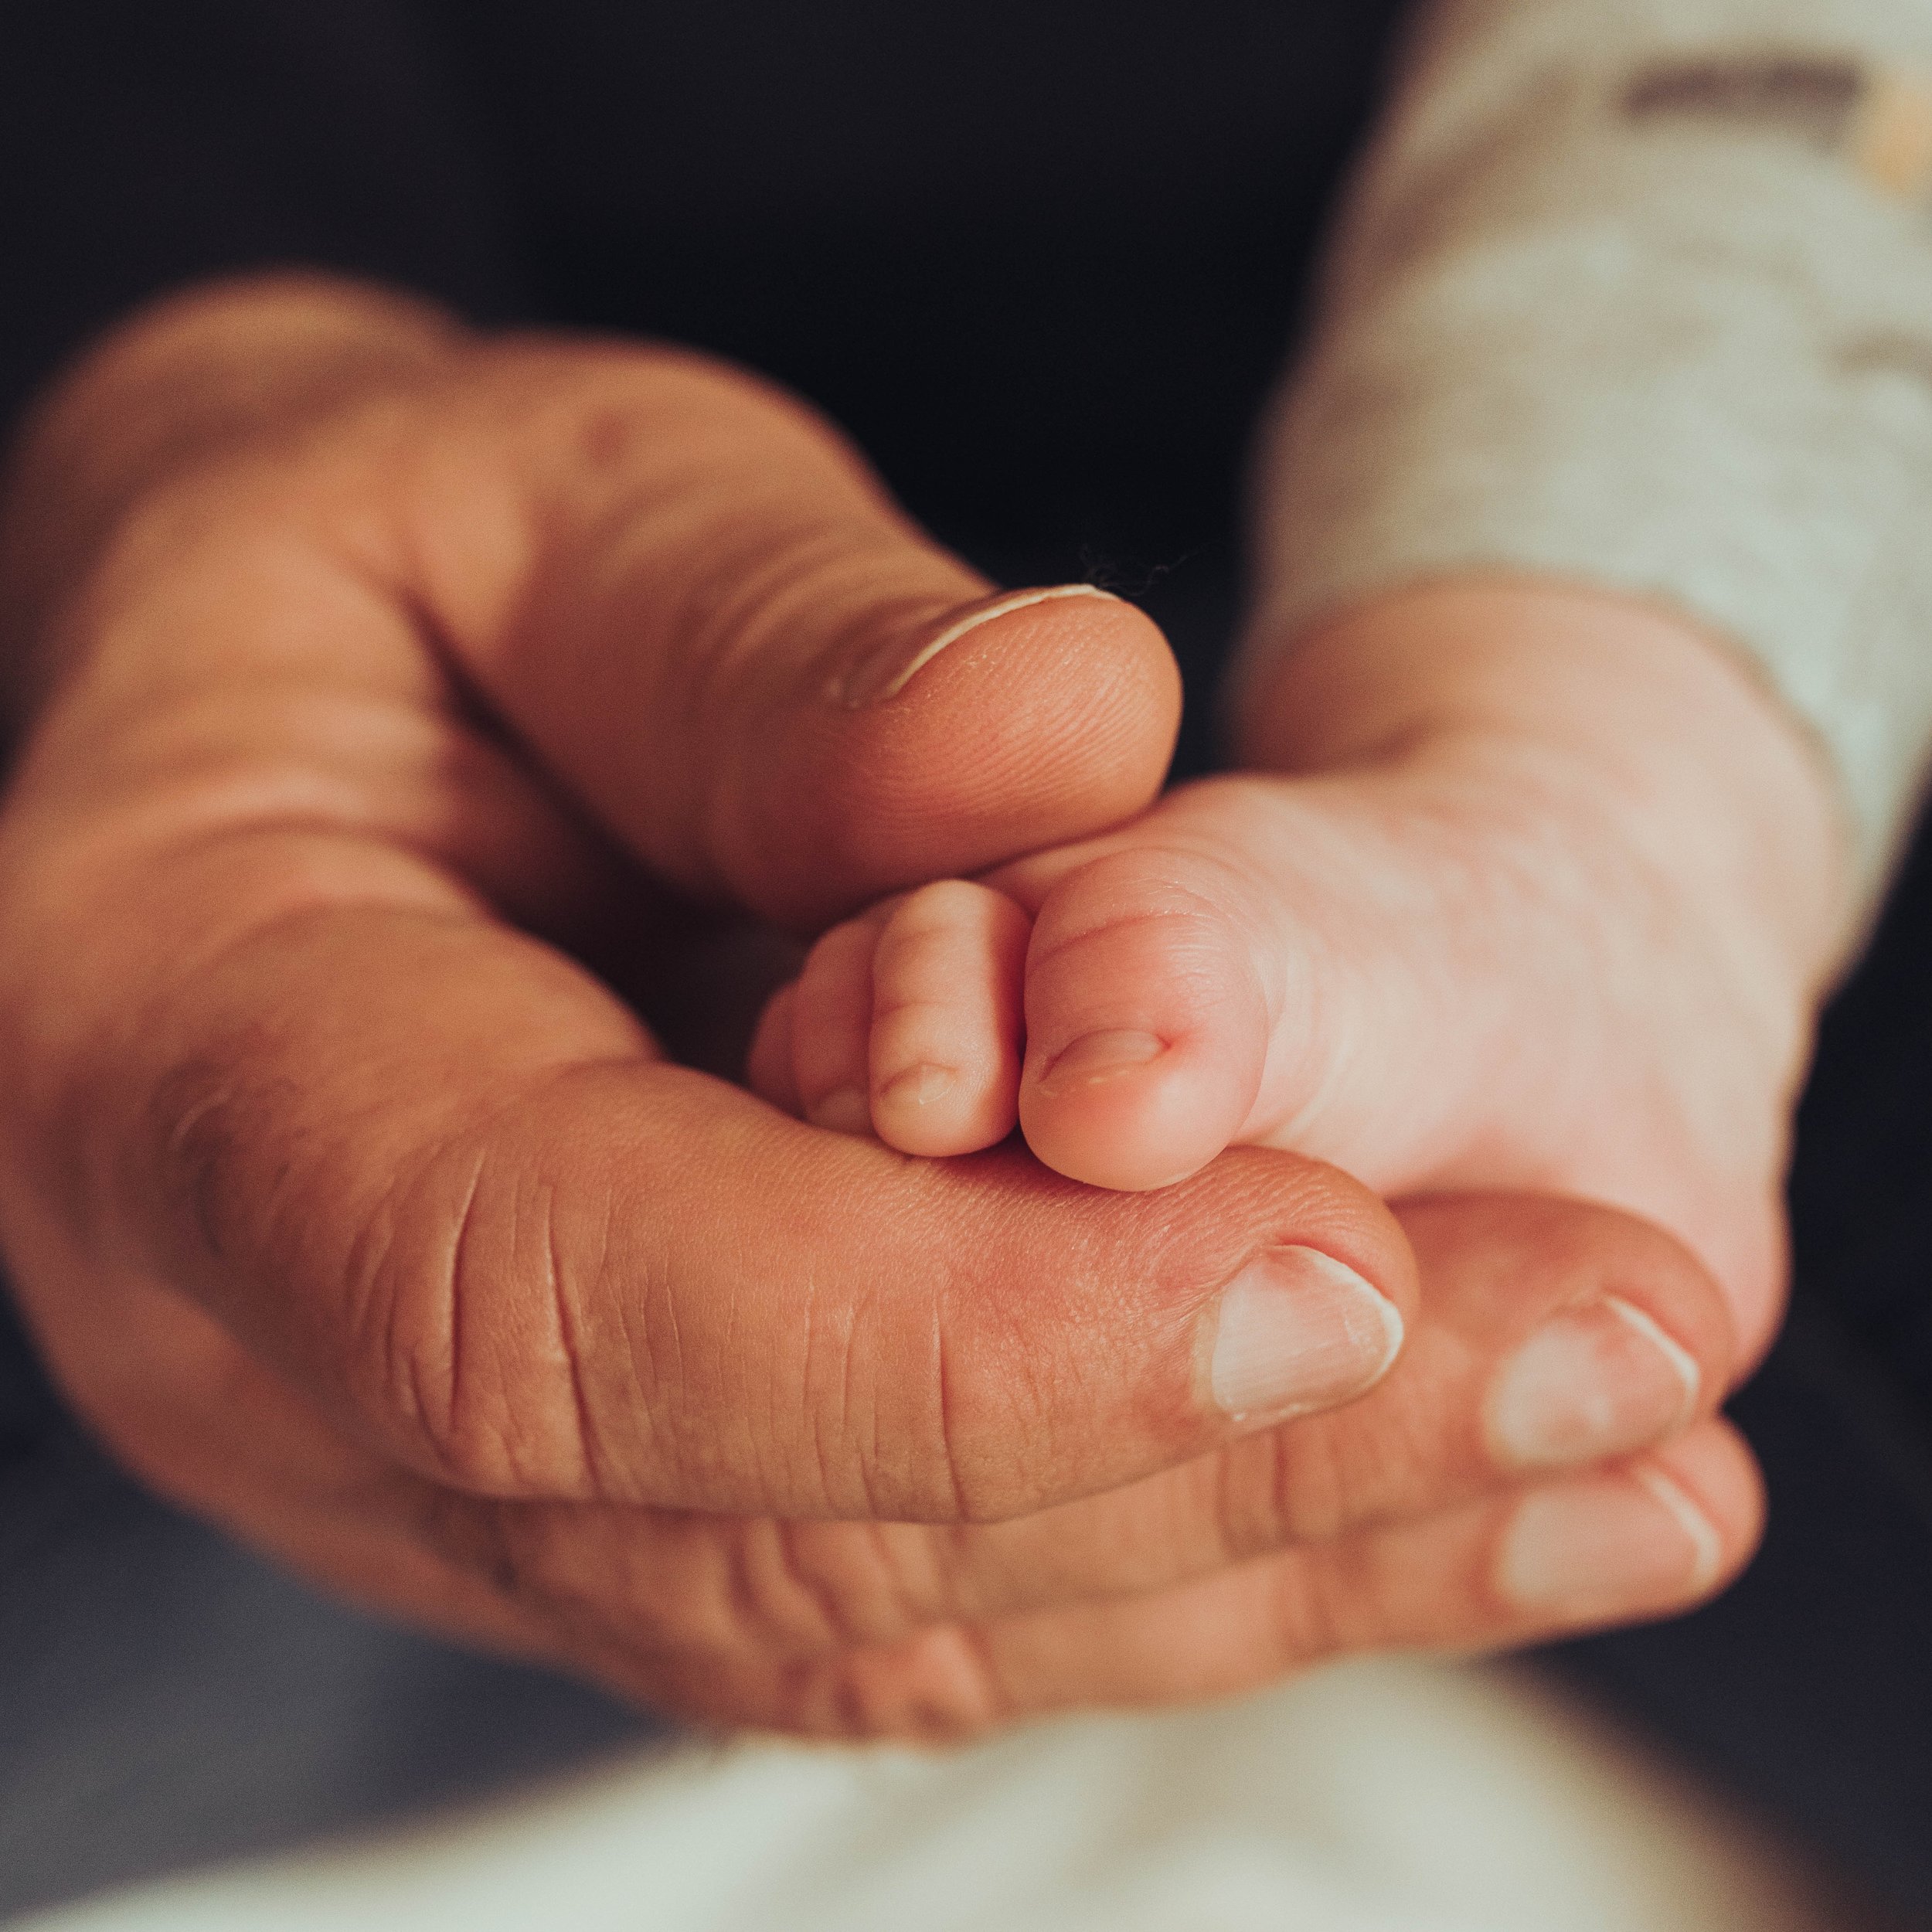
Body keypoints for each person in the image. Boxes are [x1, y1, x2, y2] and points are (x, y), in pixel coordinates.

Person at [1, 0, 1929, 1917]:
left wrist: (1600, 770)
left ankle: (1553, 860)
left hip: (1600, 439)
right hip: (340, 613)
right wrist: (167, 382)